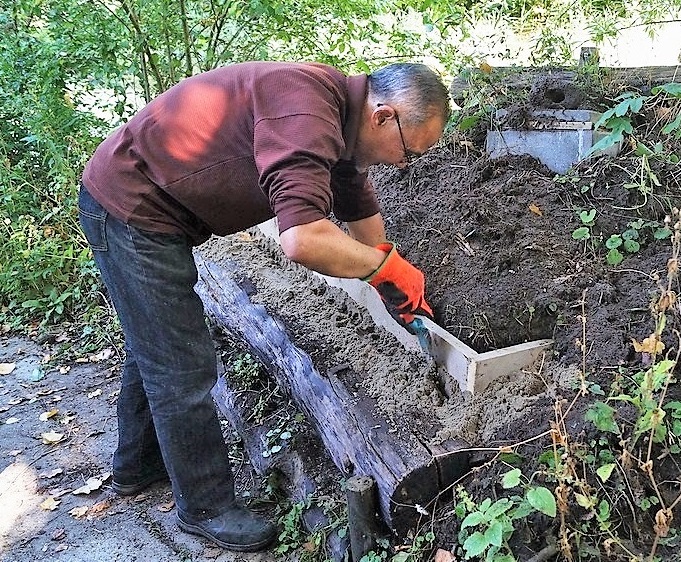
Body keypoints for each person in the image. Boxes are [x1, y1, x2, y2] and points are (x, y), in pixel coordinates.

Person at [77, 61, 449, 552]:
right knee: (182, 368)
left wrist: (387, 269)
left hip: (154, 207)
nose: (405, 165)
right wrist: (386, 272)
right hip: (134, 210)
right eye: (408, 153)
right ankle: (204, 507)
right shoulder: (305, 109)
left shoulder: (342, 116)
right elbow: (302, 240)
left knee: (155, 343)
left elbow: (357, 204)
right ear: (383, 117)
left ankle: (137, 465)